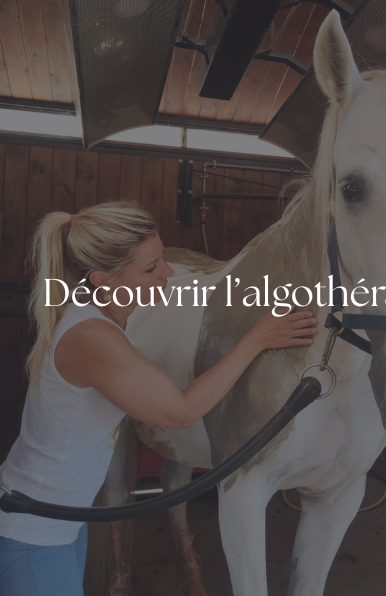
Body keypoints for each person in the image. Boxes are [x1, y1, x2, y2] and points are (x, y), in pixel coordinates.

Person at [0, 201, 317, 596]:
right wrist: (258, 338)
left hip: (59, 519)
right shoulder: (92, 337)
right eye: (150, 268)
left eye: (162, 258)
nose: (168, 272)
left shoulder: (95, 318)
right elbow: (182, 411)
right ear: (102, 279)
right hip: (35, 531)